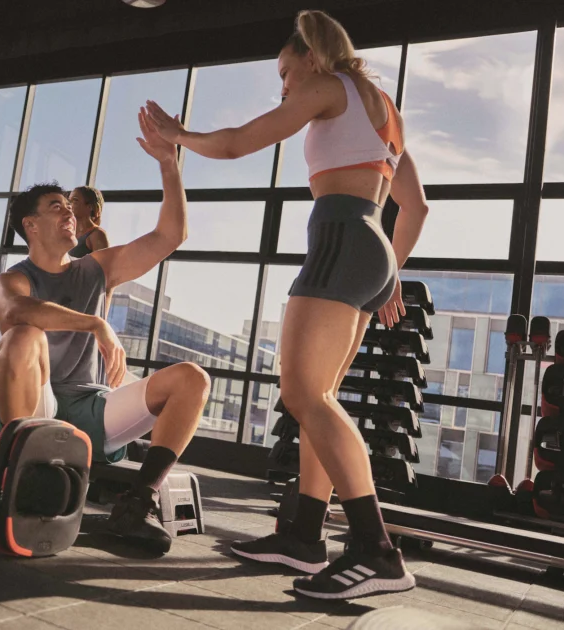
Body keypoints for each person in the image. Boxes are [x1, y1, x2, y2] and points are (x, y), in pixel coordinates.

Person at [143, 9, 429, 600]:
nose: (283, 86)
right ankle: (302, 535)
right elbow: (417, 206)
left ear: (310, 56)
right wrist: (389, 270)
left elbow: (238, 143)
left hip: (341, 242)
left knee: (303, 395)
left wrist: (178, 137)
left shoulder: (330, 86)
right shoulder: (385, 111)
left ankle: (377, 552)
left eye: (284, 71)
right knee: (315, 400)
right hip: (370, 246)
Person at [0, 110, 211, 555]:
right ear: (30, 226)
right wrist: (95, 323)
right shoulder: (12, 278)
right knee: (23, 336)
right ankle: (16, 481)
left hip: (92, 407)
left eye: (70, 207)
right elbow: (17, 311)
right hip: (38, 405)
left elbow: (171, 235)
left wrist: (169, 163)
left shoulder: (97, 268)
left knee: (193, 379)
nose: (69, 213)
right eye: (57, 207)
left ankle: (135, 504)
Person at [68, 186, 114, 317]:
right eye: (69, 200)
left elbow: (107, 279)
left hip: (85, 306)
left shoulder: (97, 235)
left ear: (90, 207)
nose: (69, 204)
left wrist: (101, 315)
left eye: (75, 200)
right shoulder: (69, 234)